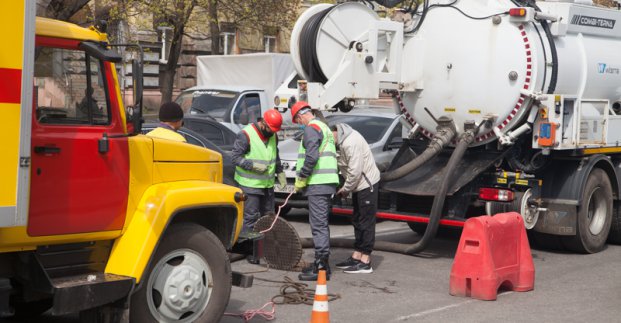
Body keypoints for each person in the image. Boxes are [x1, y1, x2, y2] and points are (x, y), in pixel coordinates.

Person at [290, 101, 339, 281]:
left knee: (318, 225)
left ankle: (321, 268)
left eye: (297, 121)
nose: (299, 124)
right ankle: (322, 264)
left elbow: (311, 157)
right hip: (326, 182)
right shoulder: (323, 127)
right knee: (322, 224)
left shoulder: (311, 128)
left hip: (318, 182)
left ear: (301, 115)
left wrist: (301, 179)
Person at [331, 123, 380, 274]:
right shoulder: (340, 141)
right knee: (358, 219)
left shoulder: (350, 142)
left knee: (366, 221)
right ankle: (357, 254)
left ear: (334, 132)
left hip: (366, 184)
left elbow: (355, 171)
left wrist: (345, 189)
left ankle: (365, 261)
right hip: (358, 185)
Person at [231, 109, 287, 232]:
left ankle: (264, 248)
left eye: (274, 131)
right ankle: (248, 248)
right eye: (271, 130)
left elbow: (274, 155)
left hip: (268, 186)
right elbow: (235, 158)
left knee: (268, 218)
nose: (272, 133)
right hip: (250, 186)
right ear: (263, 123)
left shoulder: (273, 136)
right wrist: (252, 165)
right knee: (250, 218)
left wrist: (280, 172)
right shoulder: (246, 135)